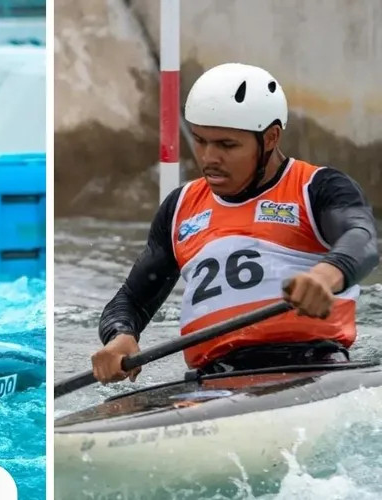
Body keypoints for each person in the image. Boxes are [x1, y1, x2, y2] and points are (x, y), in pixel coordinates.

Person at [91, 62, 379, 384]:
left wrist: (327, 274)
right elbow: (131, 299)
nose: (208, 158)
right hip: (211, 379)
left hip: (313, 366)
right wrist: (120, 335)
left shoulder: (318, 187)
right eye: (200, 141)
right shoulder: (179, 207)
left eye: (227, 145)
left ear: (270, 137)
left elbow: (363, 238)